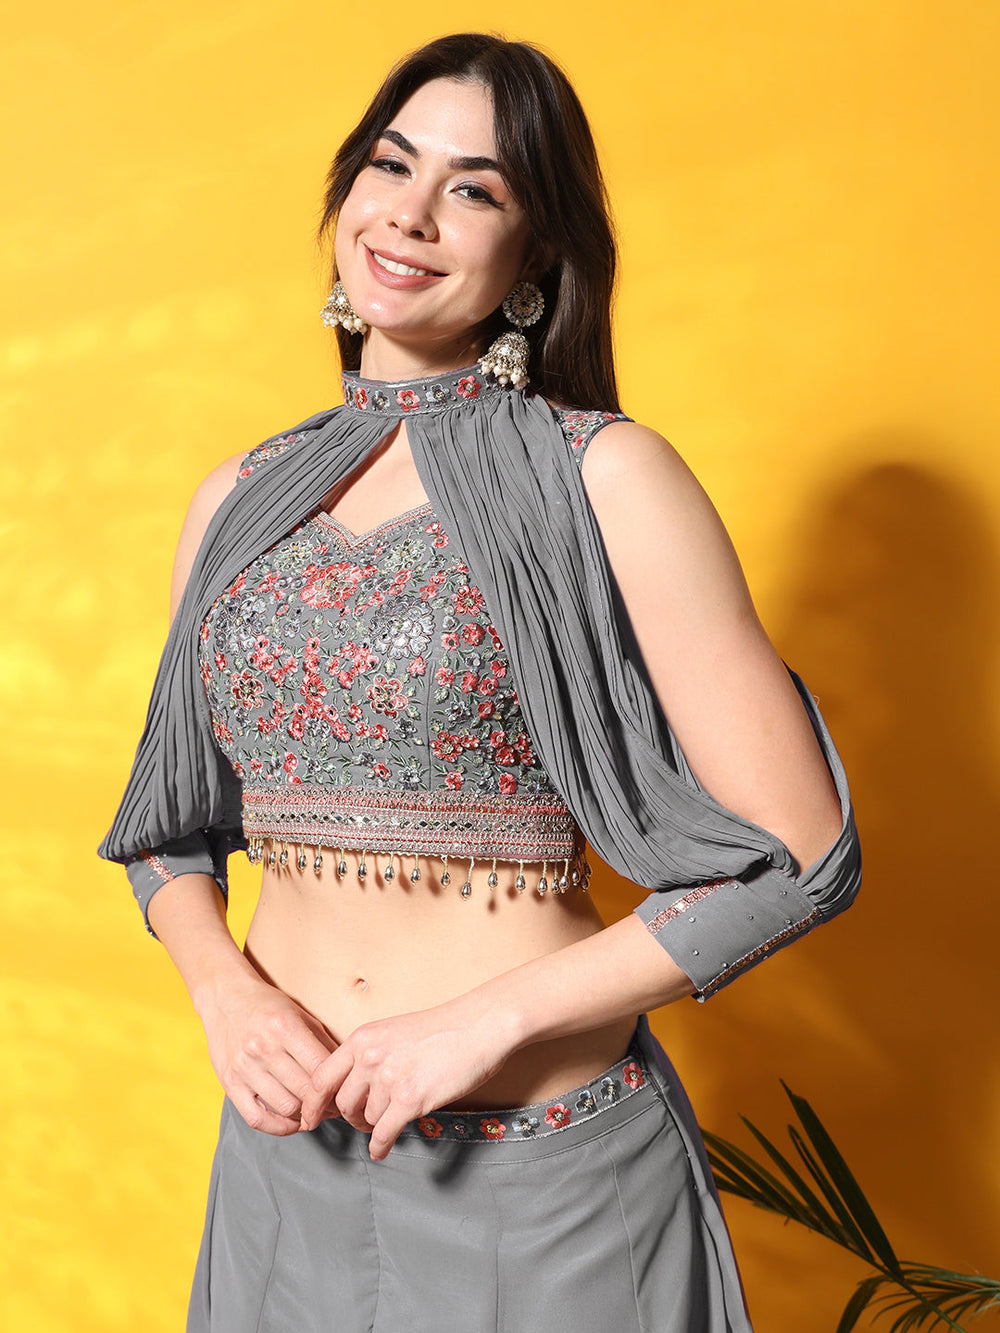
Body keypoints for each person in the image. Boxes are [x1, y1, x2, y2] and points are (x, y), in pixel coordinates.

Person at [99, 32, 861, 1333]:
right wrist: (222, 991)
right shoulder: (236, 498)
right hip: (284, 1176)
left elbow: (801, 855)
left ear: (537, 256)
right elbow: (166, 826)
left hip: (544, 1190)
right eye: (391, 165)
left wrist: (480, 1023)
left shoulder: (608, 476)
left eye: (474, 187)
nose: (410, 212)